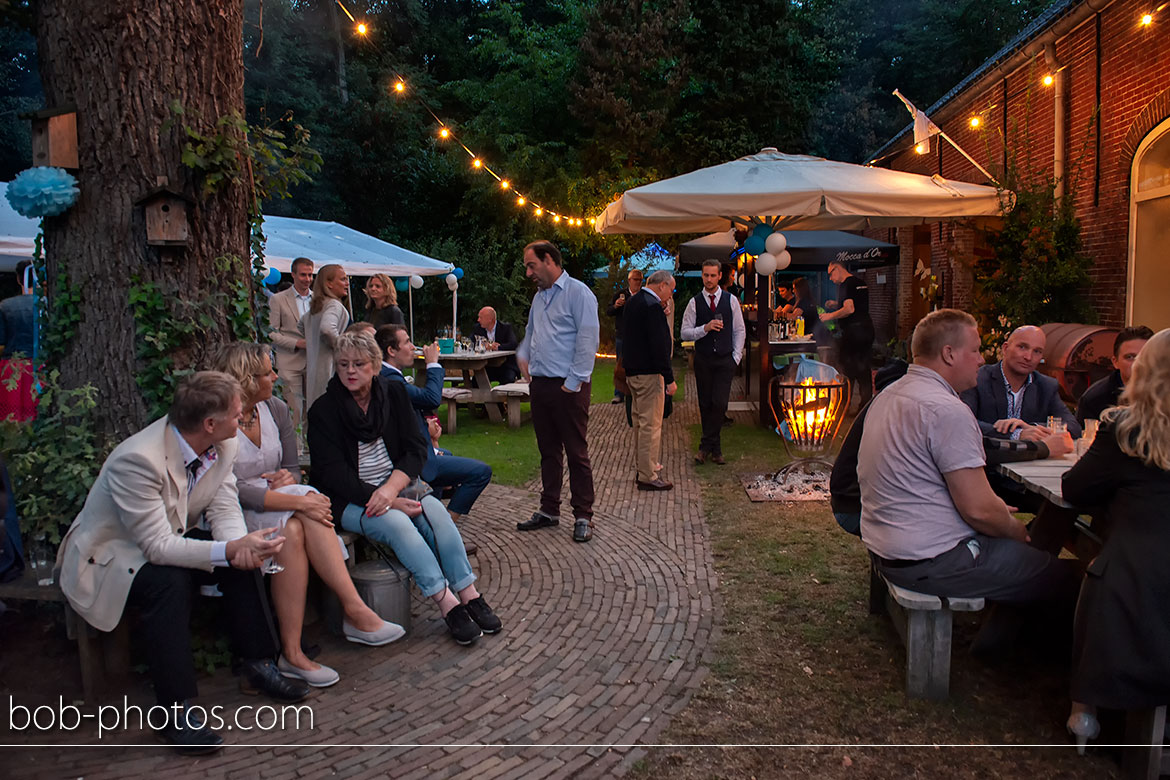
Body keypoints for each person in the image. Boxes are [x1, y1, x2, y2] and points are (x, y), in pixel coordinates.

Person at [57, 372, 310, 754]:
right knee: (168, 580)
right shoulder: (137, 461)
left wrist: (240, 547)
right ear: (210, 423)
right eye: (237, 414)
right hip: (109, 555)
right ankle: (176, 711)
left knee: (242, 557)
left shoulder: (221, 445)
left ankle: (258, 664)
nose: (243, 418)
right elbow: (157, 547)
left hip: (163, 537)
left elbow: (224, 504)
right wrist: (226, 551)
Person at [858, 309, 1080, 655]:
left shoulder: (891, 394)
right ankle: (1027, 658)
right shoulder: (946, 409)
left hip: (892, 544)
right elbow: (979, 511)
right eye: (976, 350)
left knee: (1033, 557)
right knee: (1073, 579)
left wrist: (992, 513)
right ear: (949, 354)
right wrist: (1015, 532)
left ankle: (997, 640)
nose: (981, 359)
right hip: (930, 559)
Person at [212, 343, 404, 688]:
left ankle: (295, 650)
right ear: (247, 379)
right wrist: (296, 499)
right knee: (303, 512)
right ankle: (351, 613)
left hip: (282, 504)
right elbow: (224, 488)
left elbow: (291, 467)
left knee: (297, 527)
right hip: (234, 511)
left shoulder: (276, 409)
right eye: (268, 372)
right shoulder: (221, 418)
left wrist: (290, 480)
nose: (275, 376)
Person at [308, 331, 501, 645]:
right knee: (399, 526)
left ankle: (469, 594)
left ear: (374, 366)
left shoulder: (394, 394)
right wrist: (386, 500)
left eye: (358, 364)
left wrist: (393, 489)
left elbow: (415, 449)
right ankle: (446, 603)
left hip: (399, 483)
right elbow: (333, 475)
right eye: (343, 365)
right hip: (352, 498)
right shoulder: (324, 411)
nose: (350, 371)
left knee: (438, 517)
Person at [1062, 328, 1170, 754]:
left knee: (1102, 569)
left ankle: (1084, 709)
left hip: (1137, 578)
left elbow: (1075, 490)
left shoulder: (1125, 428)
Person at [515, 240, 600, 543]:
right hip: (540, 384)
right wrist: (523, 355)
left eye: (531, 265)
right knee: (548, 450)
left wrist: (573, 382)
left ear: (549, 260)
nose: (528, 273)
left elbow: (588, 340)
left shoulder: (579, 294)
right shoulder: (539, 298)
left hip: (568, 386)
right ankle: (549, 509)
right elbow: (530, 333)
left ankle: (583, 515)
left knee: (576, 452)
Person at [377, 324, 493, 521]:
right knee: (481, 472)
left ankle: (435, 519)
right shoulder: (390, 379)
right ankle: (445, 526)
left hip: (420, 448)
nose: (413, 347)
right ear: (391, 351)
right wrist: (432, 364)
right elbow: (431, 398)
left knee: (445, 454)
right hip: (414, 460)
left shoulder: (389, 375)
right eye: (407, 342)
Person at [961, 325, 1081, 440]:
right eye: (1022, 347)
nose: (1028, 357)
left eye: (1037, 351)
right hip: (988, 457)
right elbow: (963, 423)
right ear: (1005, 348)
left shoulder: (1046, 386)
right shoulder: (977, 379)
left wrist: (1032, 428)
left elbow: (1074, 427)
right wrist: (1016, 434)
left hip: (1032, 459)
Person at [681, 258, 745, 465]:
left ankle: (704, 447)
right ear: (702, 276)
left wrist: (736, 357)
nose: (709, 279)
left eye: (712, 275)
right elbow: (685, 333)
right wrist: (705, 328)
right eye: (705, 275)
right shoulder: (694, 302)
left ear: (719, 276)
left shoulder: (731, 300)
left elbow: (739, 330)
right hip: (704, 359)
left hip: (725, 359)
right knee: (705, 403)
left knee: (719, 403)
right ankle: (715, 449)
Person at [623, 269, 677, 491]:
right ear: (662, 285)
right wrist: (669, 377)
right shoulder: (652, 306)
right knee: (651, 425)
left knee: (640, 423)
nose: (670, 296)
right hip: (649, 374)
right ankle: (648, 475)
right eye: (670, 290)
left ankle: (644, 466)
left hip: (633, 371)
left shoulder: (634, 301)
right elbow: (659, 345)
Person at [268, 256, 313, 439]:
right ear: (293, 274)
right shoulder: (278, 300)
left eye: (310, 275)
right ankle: (296, 454)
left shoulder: (319, 300)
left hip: (313, 362)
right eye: (303, 275)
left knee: (313, 410)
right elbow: (271, 333)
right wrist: (297, 343)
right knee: (293, 410)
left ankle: (313, 451)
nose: (307, 279)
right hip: (289, 362)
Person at [821, 260, 875, 406]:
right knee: (864, 368)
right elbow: (855, 305)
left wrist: (829, 316)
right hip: (866, 329)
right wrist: (836, 304)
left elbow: (849, 309)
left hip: (854, 332)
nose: (831, 279)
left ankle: (843, 404)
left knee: (847, 368)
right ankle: (865, 405)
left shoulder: (846, 284)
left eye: (830, 274)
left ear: (837, 269)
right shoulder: (859, 282)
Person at [1075, 325, 1153, 426]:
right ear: (1115, 362)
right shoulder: (1094, 398)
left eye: (1145, 356)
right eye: (1130, 357)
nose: (1138, 363)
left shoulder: (1165, 393)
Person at [300, 263, 351, 409]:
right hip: (330, 370)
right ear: (328, 283)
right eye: (342, 279)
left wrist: (312, 340)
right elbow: (327, 329)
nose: (347, 283)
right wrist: (343, 348)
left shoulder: (317, 306)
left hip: (313, 369)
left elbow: (301, 325)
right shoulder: (334, 305)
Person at [0, 260, 37, 421]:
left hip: (11, 367)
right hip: (40, 365)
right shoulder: (47, 305)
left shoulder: (5, 306)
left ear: (18, 279)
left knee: (11, 416)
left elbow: (1, 342)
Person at [606, 269, 644, 404]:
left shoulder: (644, 295)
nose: (638, 283)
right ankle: (619, 393)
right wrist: (616, 306)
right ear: (629, 280)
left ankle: (635, 391)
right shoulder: (621, 294)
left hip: (639, 337)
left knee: (638, 364)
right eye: (635, 280)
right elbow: (608, 311)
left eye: (640, 280)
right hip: (622, 335)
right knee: (620, 365)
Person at [471, 306, 520, 385]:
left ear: (490, 319)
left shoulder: (505, 328)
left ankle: (505, 397)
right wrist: (483, 345)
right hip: (486, 366)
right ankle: (479, 397)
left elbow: (513, 344)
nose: (478, 320)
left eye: (481, 317)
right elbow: (470, 343)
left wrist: (496, 347)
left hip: (505, 366)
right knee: (476, 381)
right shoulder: (478, 328)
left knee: (508, 379)